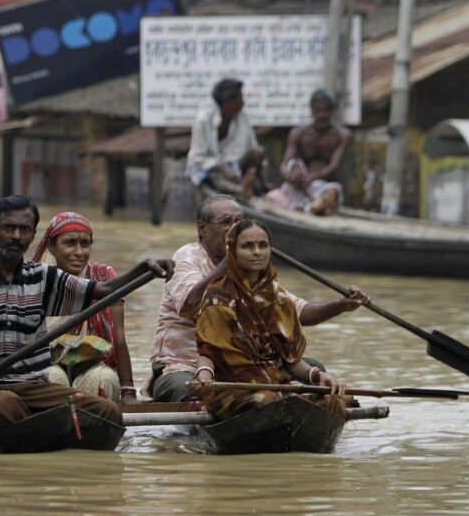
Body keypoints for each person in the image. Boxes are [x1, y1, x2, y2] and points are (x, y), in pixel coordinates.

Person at [0, 195, 174, 431]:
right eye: (9, 228)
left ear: (33, 235)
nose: (17, 236)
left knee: (106, 411)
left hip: (31, 388)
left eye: (24, 229)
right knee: (6, 406)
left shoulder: (42, 278)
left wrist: (145, 268)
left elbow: (101, 291)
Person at [148, 195, 369, 403]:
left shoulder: (256, 272)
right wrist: (229, 264)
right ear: (201, 228)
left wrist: (341, 306)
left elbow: (298, 312)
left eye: (239, 221)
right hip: (183, 365)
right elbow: (191, 305)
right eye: (226, 222)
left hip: (243, 366)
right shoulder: (187, 258)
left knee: (315, 369)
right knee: (188, 389)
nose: (235, 229)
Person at [193, 219, 348, 419]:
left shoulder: (280, 298)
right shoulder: (217, 297)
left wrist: (319, 376)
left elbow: (291, 362)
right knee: (265, 400)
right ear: (232, 251)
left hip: (276, 385)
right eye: (247, 246)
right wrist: (204, 375)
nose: (257, 252)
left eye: (263, 245)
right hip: (232, 388)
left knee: (333, 399)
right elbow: (208, 352)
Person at [31, 212, 136, 405]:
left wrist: (128, 391)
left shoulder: (104, 275)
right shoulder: (35, 279)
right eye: (70, 243)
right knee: (51, 377)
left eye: (85, 244)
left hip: (94, 363)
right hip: (47, 362)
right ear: (52, 247)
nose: (79, 252)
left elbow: (119, 337)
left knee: (103, 379)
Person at [265, 88, 352, 215]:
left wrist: (312, 177)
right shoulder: (298, 133)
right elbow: (287, 162)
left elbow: (334, 166)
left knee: (331, 195)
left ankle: (314, 206)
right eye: (318, 110)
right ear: (312, 110)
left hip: (324, 186)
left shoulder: (342, 135)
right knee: (273, 196)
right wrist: (292, 175)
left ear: (331, 111)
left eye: (325, 110)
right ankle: (306, 207)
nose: (321, 115)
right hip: (297, 186)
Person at [186, 78, 266, 200]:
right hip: (208, 167)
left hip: (236, 165)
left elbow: (253, 147)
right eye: (240, 99)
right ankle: (241, 190)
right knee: (216, 176)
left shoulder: (242, 117)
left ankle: (256, 188)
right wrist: (222, 168)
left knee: (258, 153)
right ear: (228, 102)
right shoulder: (203, 120)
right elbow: (198, 157)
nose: (243, 103)